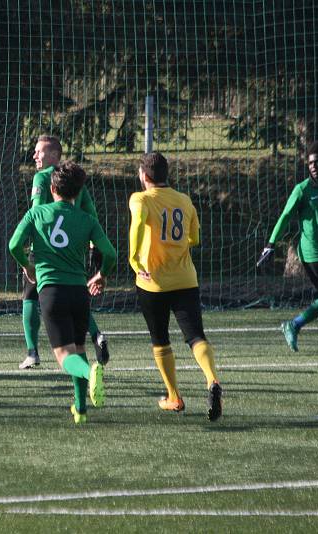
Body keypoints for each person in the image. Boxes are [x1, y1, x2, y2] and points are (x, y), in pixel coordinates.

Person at [9, 161, 117, 424]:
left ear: (52, 188)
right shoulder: (87, 220)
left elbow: (14, 245)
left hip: (52, 292)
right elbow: (111, 254)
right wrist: (101, 275)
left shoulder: (36, 214)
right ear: (77, 192)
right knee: (78, 347)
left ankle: (91, 373)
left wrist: (28, 266)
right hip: (79, 292)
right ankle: (80, 409)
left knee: (64, 356)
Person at [129, 152, 223, 421]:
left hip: (152, 282)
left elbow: (137, 224)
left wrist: (134, 260)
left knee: (160, 340)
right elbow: (195, 237)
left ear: (144, 176)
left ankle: (174, 396)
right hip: (185, 280)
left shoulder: (141, 198)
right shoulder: (184, 200)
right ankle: (212, 379)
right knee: (195, 336)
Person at [19, 135, 111, 380]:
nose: (35, 156)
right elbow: (92, 215)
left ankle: (32, 352)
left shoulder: (43, 177)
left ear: (54, 155)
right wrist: (95, 251)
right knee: (75, 303)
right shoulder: (76, 182)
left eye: (39, 152)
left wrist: (27, 260)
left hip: (45, 255)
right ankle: (96, 336)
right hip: (73, 256)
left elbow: (36, 211)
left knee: (30, 297)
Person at [258, 141, 318, 354]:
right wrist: (271, 244)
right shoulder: (302, 190)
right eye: (310, 163)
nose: (313, 166)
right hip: (311, 251)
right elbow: (285, 216)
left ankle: (294, 325)